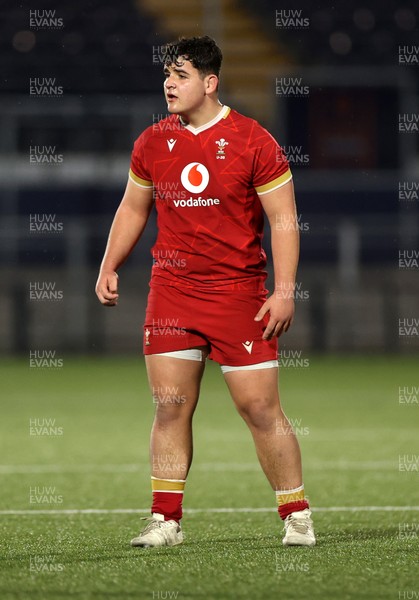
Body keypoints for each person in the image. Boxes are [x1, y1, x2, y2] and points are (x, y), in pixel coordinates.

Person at [96, 35, 315, 548]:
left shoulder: (253, 140)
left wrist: (284, 290)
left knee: (260, 409)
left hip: (238, 294)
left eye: (181, 75)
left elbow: (283, 219)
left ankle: (297, 514)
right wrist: (110, 263)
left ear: (210, 83)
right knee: (170, 404)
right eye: (167, 75)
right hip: (171, 292)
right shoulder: (152, 141)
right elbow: (133, 208)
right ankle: (165, 520)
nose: (169, 84)